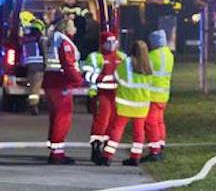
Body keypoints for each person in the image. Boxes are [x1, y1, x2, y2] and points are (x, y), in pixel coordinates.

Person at [40, 13, 85, 164]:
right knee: (63, 117)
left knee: (56, 117)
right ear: (66, 28)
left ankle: (54, 148)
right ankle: (57, 153)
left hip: (52, 82)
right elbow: (68, 65)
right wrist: (78, 80)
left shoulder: (55, 40)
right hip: (60, 83)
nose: (76, 30)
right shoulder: (64, 43)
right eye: (73, 27)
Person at [105, 41, 153, 166]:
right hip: (142, 104)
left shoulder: (126, 63)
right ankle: (135, 157)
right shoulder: (148, 64)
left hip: (125, 103)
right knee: (139, 132)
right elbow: (151, 82)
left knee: (117, 129)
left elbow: (116, 77)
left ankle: (107, 156)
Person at [83, 32, 120, 163]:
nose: (111, 45)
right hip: (100, 94)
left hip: (116, 95)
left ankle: (106, 150)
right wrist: (107, 79)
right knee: (101, 122)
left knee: (112, 123)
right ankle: (96, 148)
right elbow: (88, 76)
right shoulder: (95, 57)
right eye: (108, 42)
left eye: (113, 42)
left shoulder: (121, 57)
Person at [143, 28, 174, 160]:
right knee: (159, 122)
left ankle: (154, 151)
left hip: (153, 96)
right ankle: (160, 146)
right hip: (163, 95)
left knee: (150, 123)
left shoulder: (152, 56)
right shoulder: (169, 55)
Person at [19, 13, 46, 116]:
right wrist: (46, 64)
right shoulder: (41, 40)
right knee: (36, 87)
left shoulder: (26, 41)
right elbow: (44, 53)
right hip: (39, 65)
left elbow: (23, 55)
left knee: (32, 86)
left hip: (29, 66)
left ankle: (31, 102)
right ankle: (34, 105)